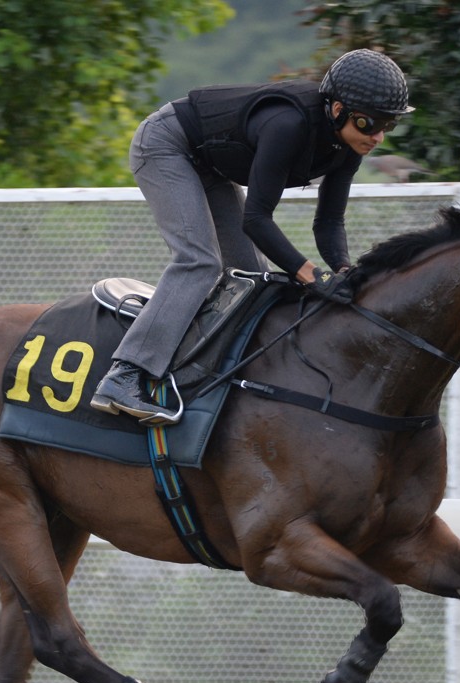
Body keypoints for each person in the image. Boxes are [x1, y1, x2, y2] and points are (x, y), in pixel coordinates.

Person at [90, 49, 415, 425]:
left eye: (386, 127)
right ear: (338, 109)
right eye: (368, 123)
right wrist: (311, 275)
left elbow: (328, 222)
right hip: (166, 145)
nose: (376, 137)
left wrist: (342, 270)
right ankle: (124, 375)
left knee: (251, 278)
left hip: (209, 163)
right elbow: (257, 220)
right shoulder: (288, 124)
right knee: (200, 262)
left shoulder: (348, 147)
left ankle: (194, 374)